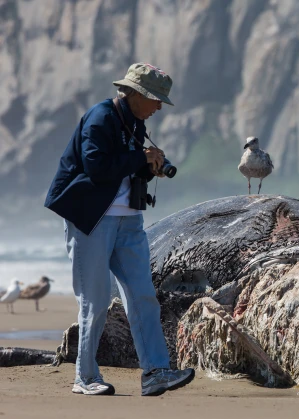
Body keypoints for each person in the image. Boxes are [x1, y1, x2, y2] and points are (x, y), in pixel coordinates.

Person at [44, 63, 195, 396]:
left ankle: (156, 372)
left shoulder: (136, 123)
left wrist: (147, 169)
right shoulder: (100, 118)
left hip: (129, 220)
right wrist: (139, 158)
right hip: (92, 220)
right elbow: (97, 168)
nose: (159, 107)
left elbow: (125, 171)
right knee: (95, 301)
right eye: (156, 100)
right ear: (137, 94)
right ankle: (85, 377)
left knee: (143, 295)